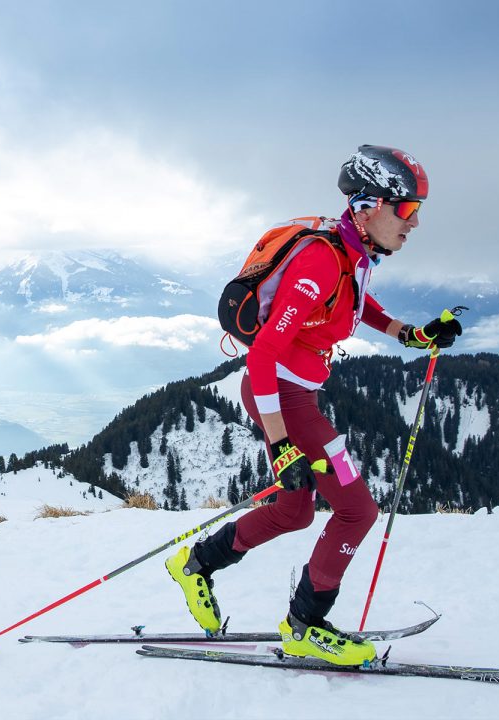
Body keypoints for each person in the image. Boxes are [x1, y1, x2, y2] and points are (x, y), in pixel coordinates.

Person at [165, 145, 463, 665]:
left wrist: (408, 333)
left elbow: (353, 302)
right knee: (356, 510)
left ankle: (194, 565)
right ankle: (306, 625)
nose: (414, 223)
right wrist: (282, 446)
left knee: (294, 510)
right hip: (281, 396)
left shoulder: (349, 249)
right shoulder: (321, 259)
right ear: (370, 204)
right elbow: (262, 358)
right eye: (408, 209)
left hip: (295, 394)